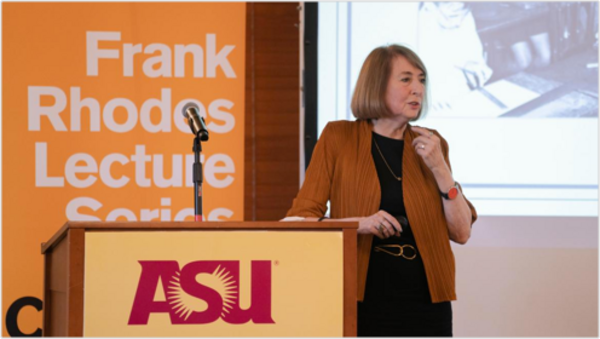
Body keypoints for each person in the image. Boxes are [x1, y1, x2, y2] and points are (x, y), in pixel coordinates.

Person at [284, 45, 477, 336]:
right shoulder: (339, 138)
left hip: (427, 300)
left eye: (422, 80)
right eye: (406, 79)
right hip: (362, 297)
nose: (418, 89)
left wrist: (440, 169)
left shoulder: (433, 144)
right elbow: (298, 223)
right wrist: (358, 224)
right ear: (376, 85)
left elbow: (461, 233)